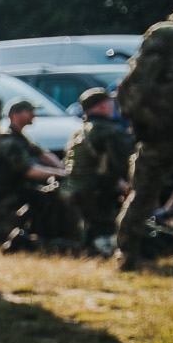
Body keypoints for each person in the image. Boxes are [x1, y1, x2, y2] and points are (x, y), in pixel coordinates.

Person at [114, 9, 173, 272]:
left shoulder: (159, 37)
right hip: (162, 128)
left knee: (141, 195)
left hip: (155, 132)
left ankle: (126, 254)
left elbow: (132, 88)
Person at [0, 98, 72, 252]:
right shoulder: (8, 140)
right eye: (29, 111)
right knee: (48, 197)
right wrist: (60, 173)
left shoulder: (20, 137)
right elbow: (30, 170)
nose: (33, 115)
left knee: (49, 195)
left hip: (20, 188)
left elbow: (42, 154)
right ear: (15, 114)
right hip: (7, 192)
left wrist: (61, 166)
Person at [64, 87, 134, 255]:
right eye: (111, 102)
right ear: (103, 105)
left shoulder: (79, 132)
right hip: (101, 196)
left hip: (79, 194)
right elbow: (127, 164)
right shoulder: (109, 131)